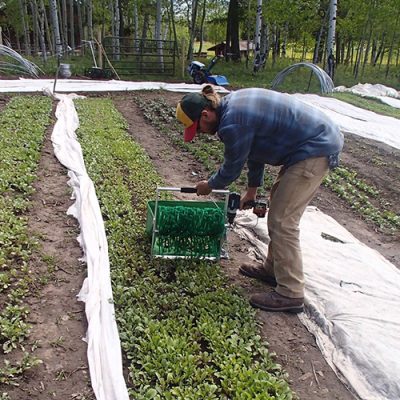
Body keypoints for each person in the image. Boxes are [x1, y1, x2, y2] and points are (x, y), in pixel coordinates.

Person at [175, 85, 344, 313]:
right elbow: (255, 151)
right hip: (308, 144)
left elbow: (231, 168)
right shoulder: (232, 106)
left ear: (205, 115)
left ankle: (291, 293)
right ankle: (273, 270)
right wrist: (252, 189)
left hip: (315, 147)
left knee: (283, 221)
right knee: (278, 210)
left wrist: (209, 185)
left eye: (199, 129)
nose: (202, 134)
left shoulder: (232, 123)